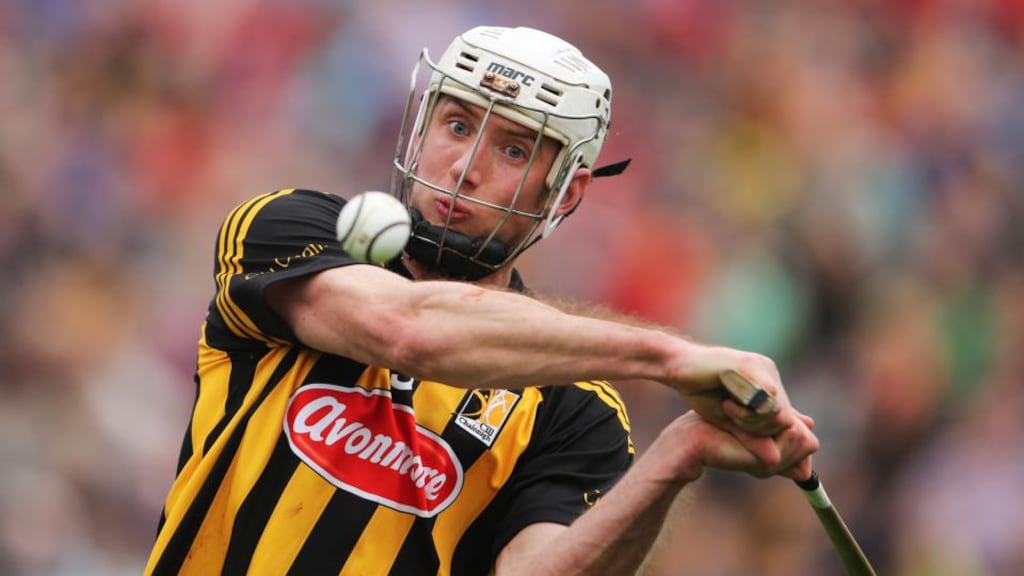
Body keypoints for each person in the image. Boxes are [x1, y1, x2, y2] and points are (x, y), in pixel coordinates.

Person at [145, 25, 818, 575]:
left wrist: (680, 457)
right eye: (458, 125)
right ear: (420, 128)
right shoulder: (284, 229)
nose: (466, 166)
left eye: (514, 148)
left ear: (565, 192)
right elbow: (405, 331)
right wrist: (673, 357)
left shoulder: (576, 407)